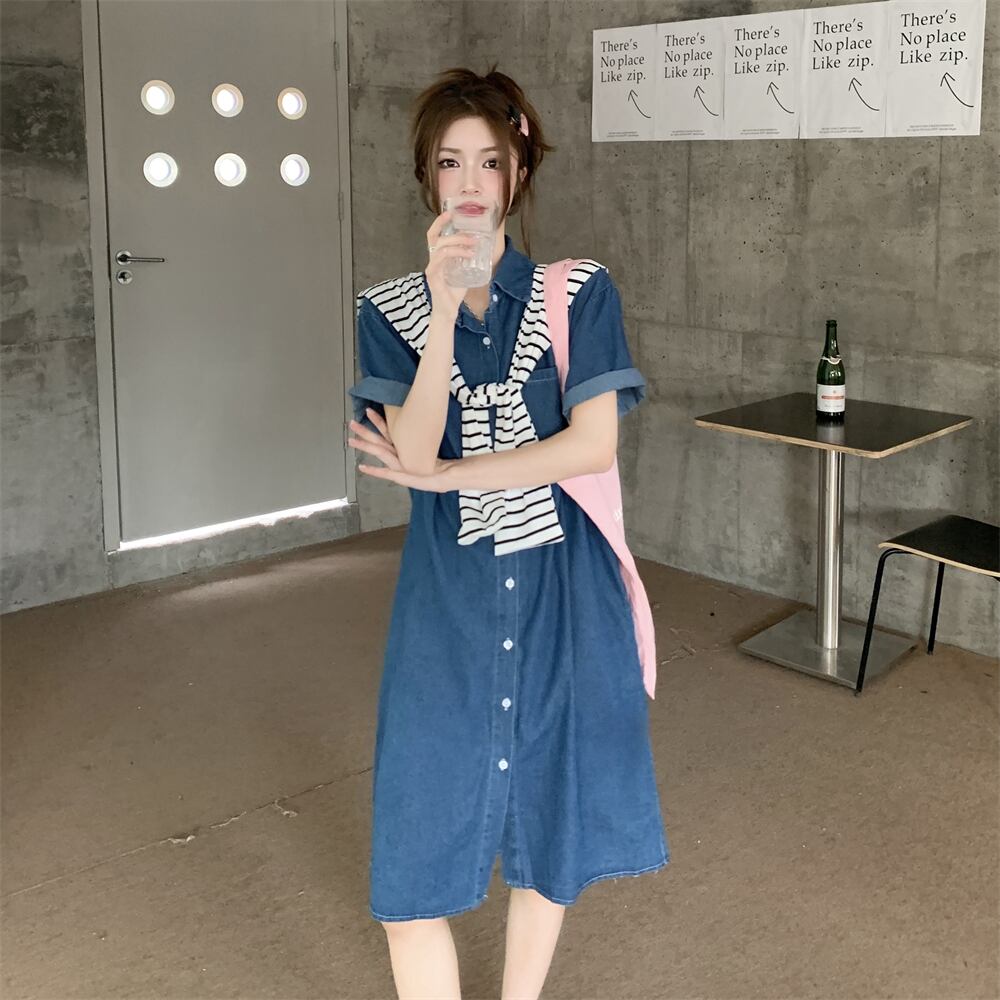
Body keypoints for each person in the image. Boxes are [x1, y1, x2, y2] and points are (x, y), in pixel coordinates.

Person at [346, 66, 669, 1000]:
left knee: (552, 835)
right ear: (427, 176)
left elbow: (591, 444)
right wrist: (445, 304)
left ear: (520, 171)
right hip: (446, 606)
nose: (471, 183)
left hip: (567, 597)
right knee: (411, 863)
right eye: (450, 162)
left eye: (490, 160)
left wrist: (453, 475)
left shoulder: (578, 293)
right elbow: (410, 449)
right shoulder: (387, 310)